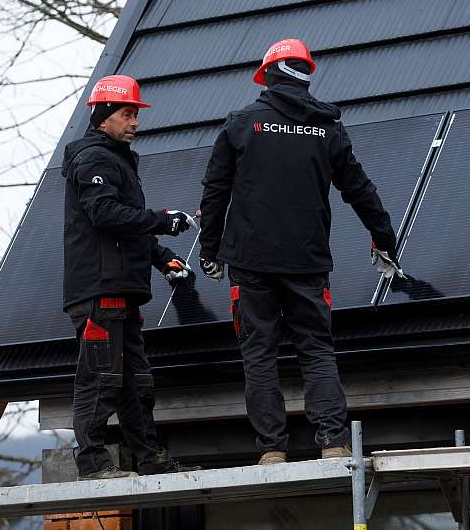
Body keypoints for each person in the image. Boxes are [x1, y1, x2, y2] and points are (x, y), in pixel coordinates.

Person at [198, 39, 404, 465]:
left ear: (269, 76)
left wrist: (210, 249)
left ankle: (272, 450)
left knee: (259, 353)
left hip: (251, 263)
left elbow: (215, 191)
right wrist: (384, 239)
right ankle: (333, 443)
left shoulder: (242, 123)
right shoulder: (327, 128)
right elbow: (360, 190)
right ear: (305, 76)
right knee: (316, 349)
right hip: (307, 262)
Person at [62, 74, 199, 479]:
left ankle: (151, 460)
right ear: (104, 116)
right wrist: (161, 221)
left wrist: (162, 259)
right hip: (100, 290)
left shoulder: (117, 159)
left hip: (121, 291)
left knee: (137, 386)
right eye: (127, 113)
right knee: (100, 380)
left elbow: (127, 226)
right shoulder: (94, 159)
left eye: (136, 114)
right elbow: (104, 214)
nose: (135, 121)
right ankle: (93, 465)